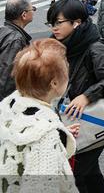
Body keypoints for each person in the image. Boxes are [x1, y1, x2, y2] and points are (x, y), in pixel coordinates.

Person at [46, 0, 104, 192]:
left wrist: (87, 96)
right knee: (90, 172)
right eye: (51, 23)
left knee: (77, 176)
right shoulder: (63, 45)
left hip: (91, 120)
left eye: (58, 22)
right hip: (72, 120)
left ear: (76, 23)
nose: (54, 28)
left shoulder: (94, 47)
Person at [0, 39, 78, 192]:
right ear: (54, 84)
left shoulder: (8, 107)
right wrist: (50, 133)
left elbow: (20, 136)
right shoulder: (45, 135)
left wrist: (61, 132)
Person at [0, 0, 35, 99]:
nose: (33, 11)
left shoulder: (3, 30)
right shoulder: (16, 40)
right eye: (32, 9)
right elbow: (7, 78)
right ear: (24, 15)